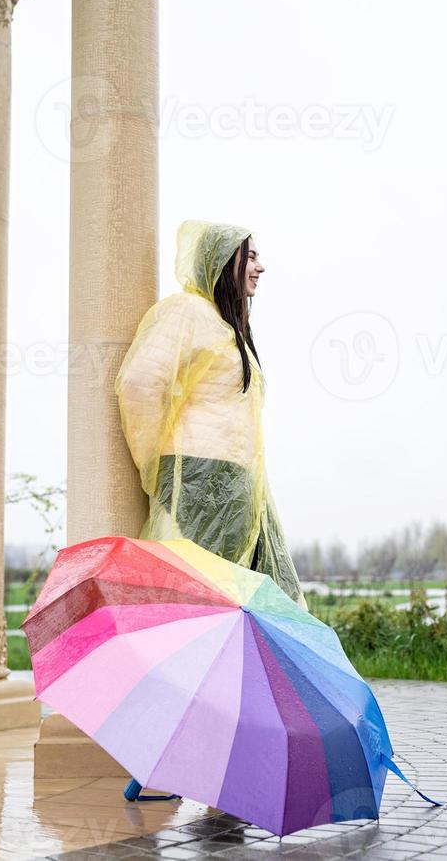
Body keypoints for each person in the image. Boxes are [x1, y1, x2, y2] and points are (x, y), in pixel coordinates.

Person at [114, 218, 308, 611]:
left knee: (255, 601)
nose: (261, 266)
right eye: (250, 256)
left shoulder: (226, 324)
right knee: (201, 598)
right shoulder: (188, 311)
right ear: (222, 260)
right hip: (200, 479)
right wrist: (160, 465)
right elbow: (141, 385)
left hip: (239, 484)